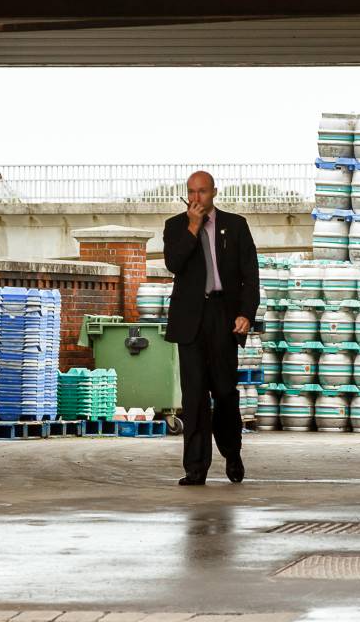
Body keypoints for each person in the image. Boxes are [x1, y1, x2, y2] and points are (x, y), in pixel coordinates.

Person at [163, 171, 259, 486]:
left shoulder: (236, 225)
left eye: (202, 192)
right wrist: (192, 227)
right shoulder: (175, 227)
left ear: (214, 192)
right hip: (190, 318)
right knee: (194, 397)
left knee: (225, 391)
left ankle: (232, 452)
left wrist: (246, 313)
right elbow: (174, 263)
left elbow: (250, 275)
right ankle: (195, 468)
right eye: (191, 192)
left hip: (223, 314)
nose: (196, 198)